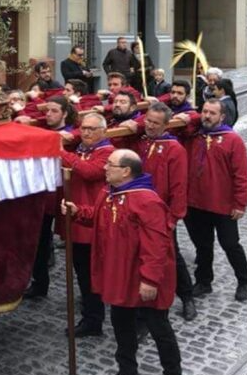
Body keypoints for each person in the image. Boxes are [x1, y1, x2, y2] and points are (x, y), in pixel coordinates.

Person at [62, 150, 182, 375]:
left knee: (158, 327)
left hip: (141, 275)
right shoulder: (108, 193)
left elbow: (157, 246)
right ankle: (127, 369)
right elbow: (100, 218)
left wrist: (150, 280)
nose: (105, 168)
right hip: (120, 274)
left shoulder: (148, 201)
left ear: (126, 171)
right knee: (121, 324)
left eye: (110, 165)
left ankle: (172, 370)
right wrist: (78, 212)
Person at [136, 102, 196, 321]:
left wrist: (173, 218)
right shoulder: (141, 141)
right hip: (140, 211)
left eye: (155, 123)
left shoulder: (174, 149)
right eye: (148, 121)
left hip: (162, 215)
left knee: (172, 256)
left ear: (166, 125)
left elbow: (179, 187)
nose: (150, 126)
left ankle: (186, 296)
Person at [185, 99, 247, 302]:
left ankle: (244, 280)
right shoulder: (194, 136)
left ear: (222, 116)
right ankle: (204, 281)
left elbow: (241, 175)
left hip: (223, 204)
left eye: (212, 113)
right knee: (203, 245)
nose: (207, 116)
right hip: (197, 203)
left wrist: (240, 203)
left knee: (230, 244)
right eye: (204, 111)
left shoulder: (232, 140)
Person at [59, 112, 114, 337]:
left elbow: (89, 172)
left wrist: (61, 152)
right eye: (84, 128)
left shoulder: (107, 152)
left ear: (104, 131)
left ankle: (94, 319)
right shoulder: (81, 148)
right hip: (76, 217)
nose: (86, 133)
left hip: (91, 222)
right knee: (82, 272)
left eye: (92, 129)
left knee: (91, 274)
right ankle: (91, 313)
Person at [24, 96, 78, 299]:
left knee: (76, 243)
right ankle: (40, 283)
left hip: (67, 193)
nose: (48, 114)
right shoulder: (42, 130)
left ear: (65, 113)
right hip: (45, 193)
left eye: (54, 111)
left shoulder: (72, 134)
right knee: (40, 239)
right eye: (47, 110)